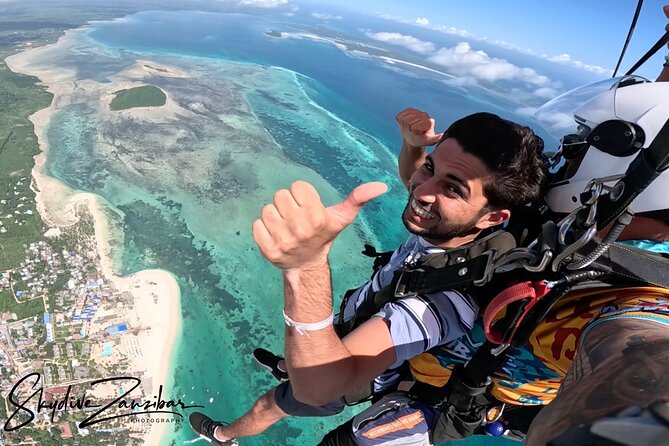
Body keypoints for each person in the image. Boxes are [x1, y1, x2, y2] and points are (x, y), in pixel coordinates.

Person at [187, 110, 548, 445]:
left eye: (452, 188)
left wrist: (306, 266)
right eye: (432, 169)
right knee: (296, 364)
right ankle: (287, 366)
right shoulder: (459, 228)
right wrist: (414, 146)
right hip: (349, 327)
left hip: (344, 376)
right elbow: (414, 177)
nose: (422, 191)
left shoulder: (444, 305)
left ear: (493, 217)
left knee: (271, 406)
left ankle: (222, 435)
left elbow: (321, 388)